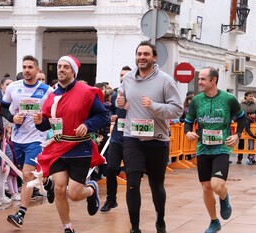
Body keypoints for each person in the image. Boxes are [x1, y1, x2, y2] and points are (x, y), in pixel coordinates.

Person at [32, 55, 109, 233]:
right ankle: (68, 227)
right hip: (58, 147)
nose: (61, 70)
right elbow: (47, 123)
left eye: (66, 67)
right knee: (59, 189)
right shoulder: (52, 95)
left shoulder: (86, 92)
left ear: (73, 71)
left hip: (79, 148)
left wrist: (87, 125)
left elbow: (102, 116)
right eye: (59, 66)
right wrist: (39, 121)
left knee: (74, 194)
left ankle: (91, 189)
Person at [116, 41, 183, 233]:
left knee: (156, 185)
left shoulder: (165, 80)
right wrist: (120, 102)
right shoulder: (127, 78)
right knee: (132, 183)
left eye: (146, 54)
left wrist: (154, 106)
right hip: (132, 138)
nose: (142, 57)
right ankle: (135, 227)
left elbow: (177, 109)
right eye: (139, 54)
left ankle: (160, 219)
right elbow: (122, 100)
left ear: (154, 58)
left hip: (157, 139)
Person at [184, 67, 247, 233]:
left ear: (214, 80)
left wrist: (237, 135)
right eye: (199, 79)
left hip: (222, 148)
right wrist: (188, 132)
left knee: (217, 185)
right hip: (203, 148)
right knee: (206, 187)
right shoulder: (197, 101)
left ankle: (224, 198)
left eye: (203, 79)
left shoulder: (228, 99)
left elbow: (242, 118)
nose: (200, 82)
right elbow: (188, 121)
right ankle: (214, 222)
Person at [0, 55, 54, 228]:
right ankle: (48, 183)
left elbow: (53, 114)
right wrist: (12, 117)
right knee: (29, 175)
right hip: (17, 139)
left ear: (37, 70)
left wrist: (43, 120)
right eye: (24, 67)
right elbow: (2, 107)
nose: (27, 70)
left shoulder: (47, 91)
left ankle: (21, 213)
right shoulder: (13, 88)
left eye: (30, 67)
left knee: (27, 175)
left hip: (36, 139)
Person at [100, 65, 131, 213]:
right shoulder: (115, 95)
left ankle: (132, 201)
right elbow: (111, 109)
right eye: (120, 75)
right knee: (111, 169)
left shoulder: (136, 93)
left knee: (132, 173)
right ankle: (111, 199)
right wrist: (111, 116)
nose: (122, 77)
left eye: (126, 75)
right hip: (117, 138)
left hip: (132, 139)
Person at [235, 91, 256, 164]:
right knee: (241, 141)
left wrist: (254, 116)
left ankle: (251, 158)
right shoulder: (240, 104)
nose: (251, 97)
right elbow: (237, 113)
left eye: (252, 96)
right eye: (250, 96)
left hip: (252, 125)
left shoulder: (254, 104)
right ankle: (239, 158)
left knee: (251, 142)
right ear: (246, 96)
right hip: (242, 125)